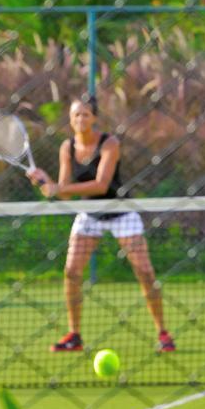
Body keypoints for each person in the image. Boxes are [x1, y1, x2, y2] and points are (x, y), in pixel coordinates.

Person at [28, 98, 175, 353]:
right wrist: (44, 183)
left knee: (145, 272)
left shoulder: (110, 143)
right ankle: (74, 335)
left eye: (85, 115)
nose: (80, 120)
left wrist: (59, 188)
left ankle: (163, 333)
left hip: (120, 212)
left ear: (94, 118)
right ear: (70, 119)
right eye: (76, 115)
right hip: (90, 215)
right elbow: (62, 192)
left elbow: (101, 184)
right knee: (72, 272)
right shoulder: (67, 147)